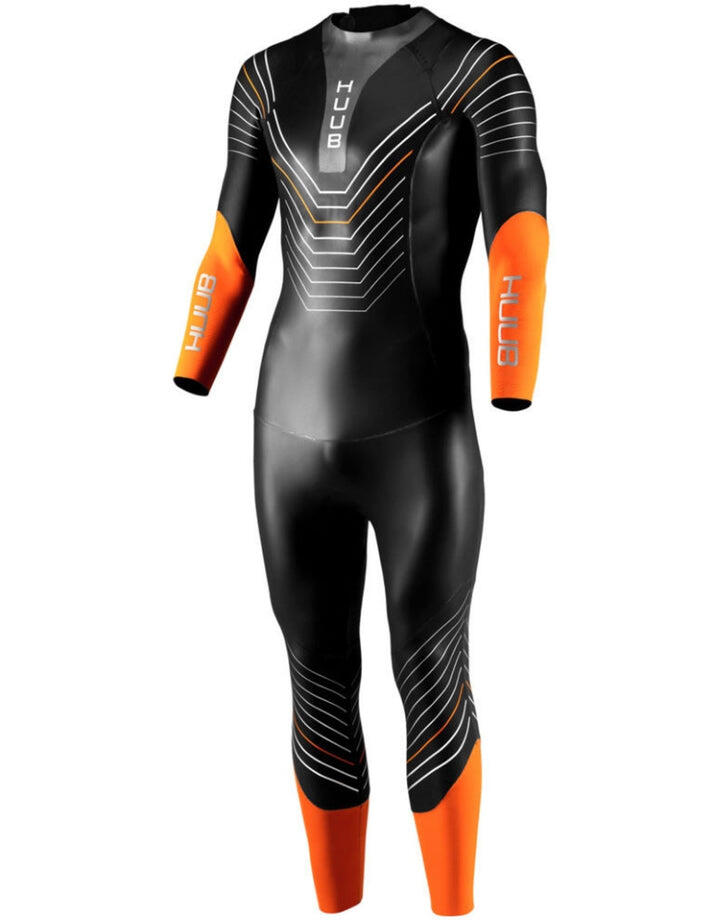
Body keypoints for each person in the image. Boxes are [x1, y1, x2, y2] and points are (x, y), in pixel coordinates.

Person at [173, 5, 548, 914]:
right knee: (316, 680)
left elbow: (518, 244)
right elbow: (228, 250)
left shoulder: (481, 72)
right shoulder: (264, 76)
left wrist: (515, 371)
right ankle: (336, 908)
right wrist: (193, 360)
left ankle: (452, 909)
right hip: (285, 436)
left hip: (418, 433)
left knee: (432, 677)